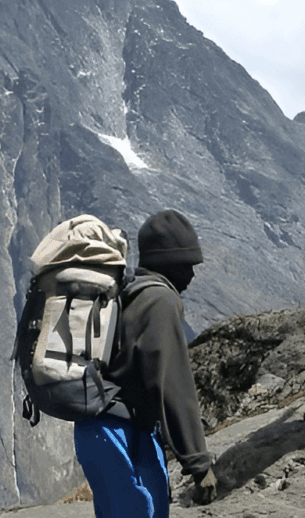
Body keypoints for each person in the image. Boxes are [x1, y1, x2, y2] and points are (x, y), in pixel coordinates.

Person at [73, 209, 218, 516]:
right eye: (187, 264)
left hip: (96, 431)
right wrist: (198, 463)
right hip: (122, 435)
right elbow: (172, 386)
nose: (192, 275)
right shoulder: (160, 301)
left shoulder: (127, 291)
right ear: (169, 262)